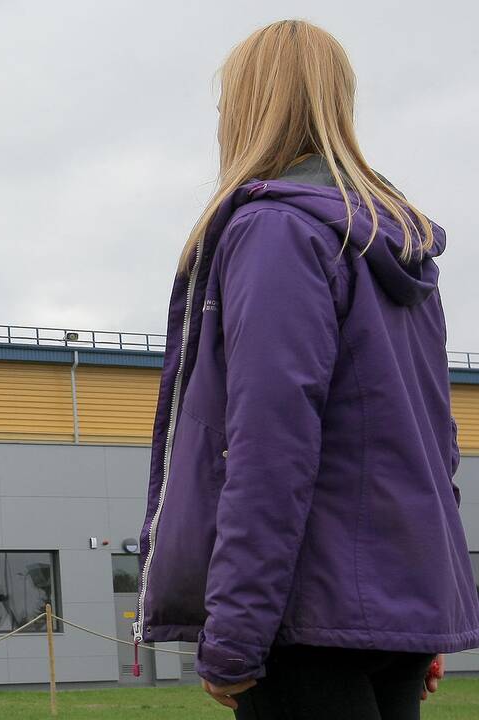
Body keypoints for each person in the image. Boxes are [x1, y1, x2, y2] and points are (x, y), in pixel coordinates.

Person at [133, 19, 479, 720]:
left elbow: (268, 449)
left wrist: (232, 637)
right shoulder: (400, 246)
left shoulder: (275, 230)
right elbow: (436, 444)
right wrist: (416, 607)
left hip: (306, 616)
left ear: (246, 109)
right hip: (385, 614)